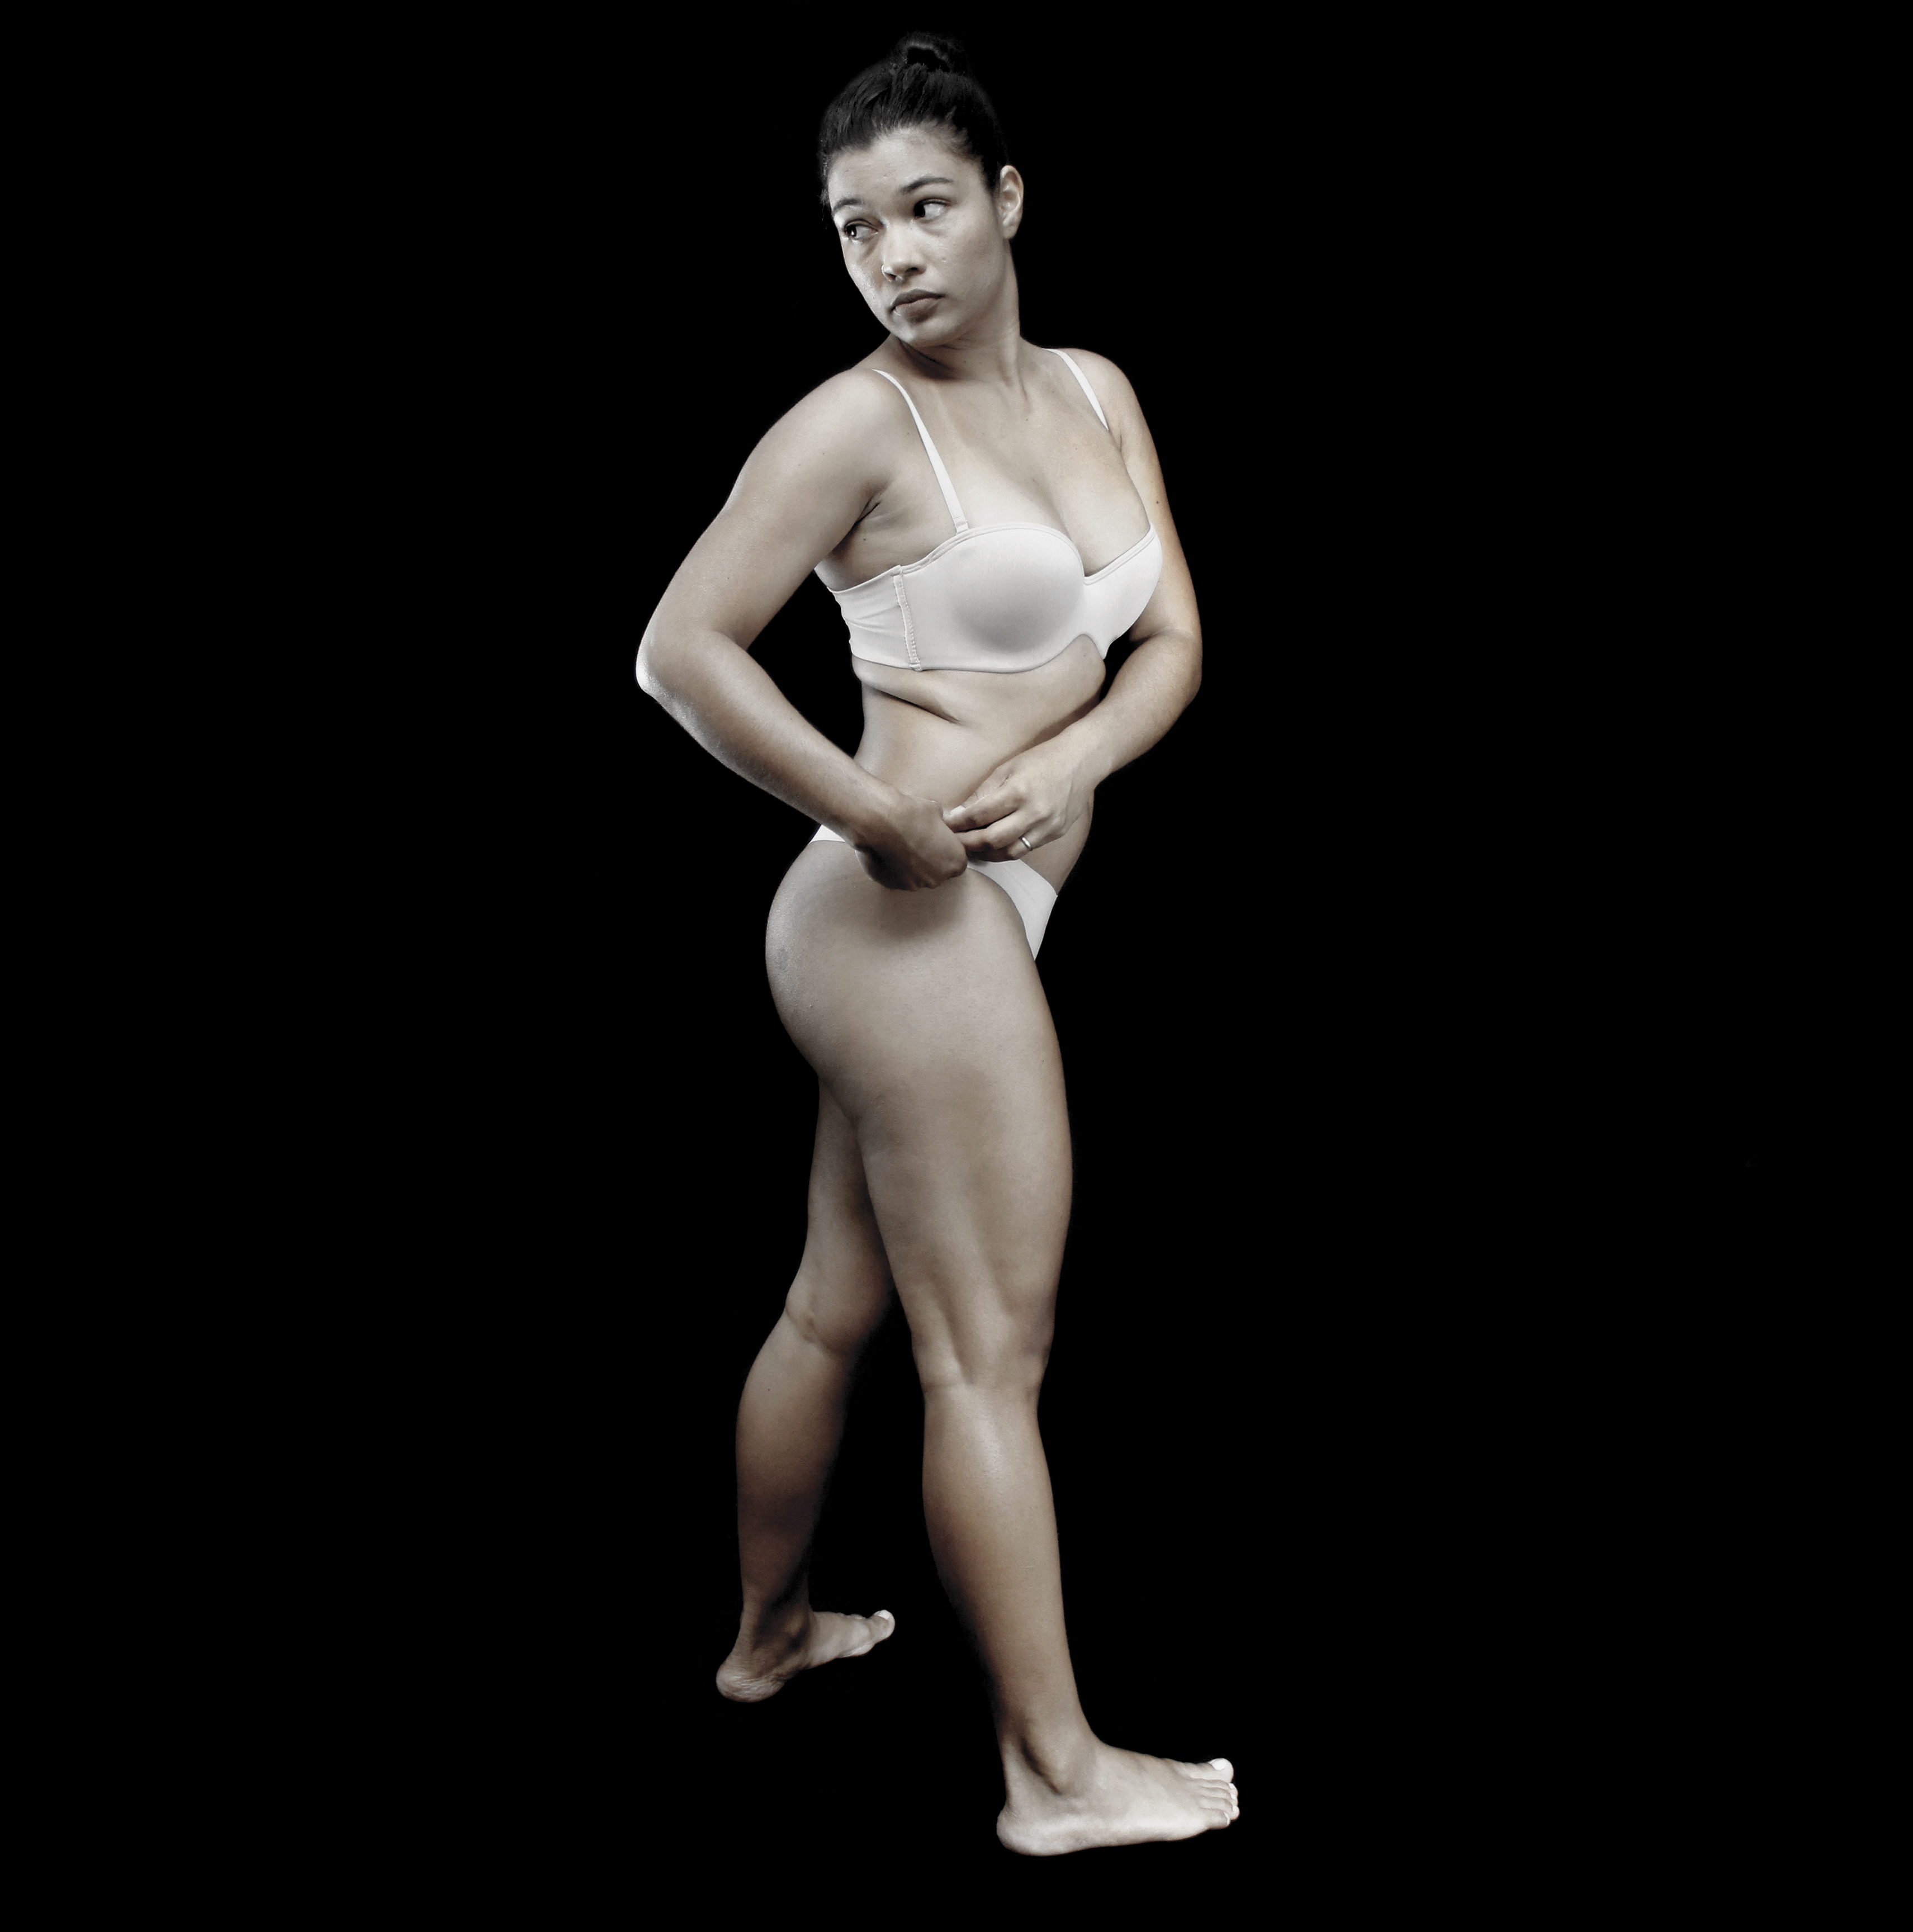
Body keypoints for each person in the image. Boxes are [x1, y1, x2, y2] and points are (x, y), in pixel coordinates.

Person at [633, 33, 1235, 1856]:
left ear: (1007, 200)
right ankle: (1054, 1777)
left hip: (994, 903)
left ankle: (767, 1641)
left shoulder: (1097, 390)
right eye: (852, 229)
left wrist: (1075, 759)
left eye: (922, 209)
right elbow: (679, 651)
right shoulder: (850, 425)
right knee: (989, 1354)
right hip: (898, 914)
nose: (891, 255)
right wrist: (879, 812)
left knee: (840, 1300)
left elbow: (1174, 643)